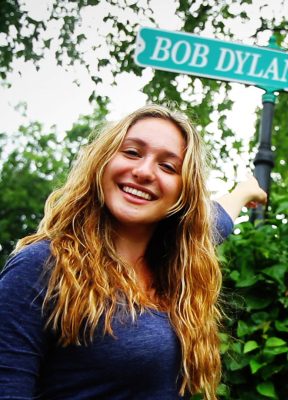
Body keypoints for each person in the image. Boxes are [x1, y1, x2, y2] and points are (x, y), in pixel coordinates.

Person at [0, 104, 267, 399]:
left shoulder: (179, 259)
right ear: (102, 162)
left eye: (168, 166)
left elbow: (218, 218)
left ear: (183, 194)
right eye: (131, 152)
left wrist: (245, 191)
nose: (142, 172)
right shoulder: (43, 266)